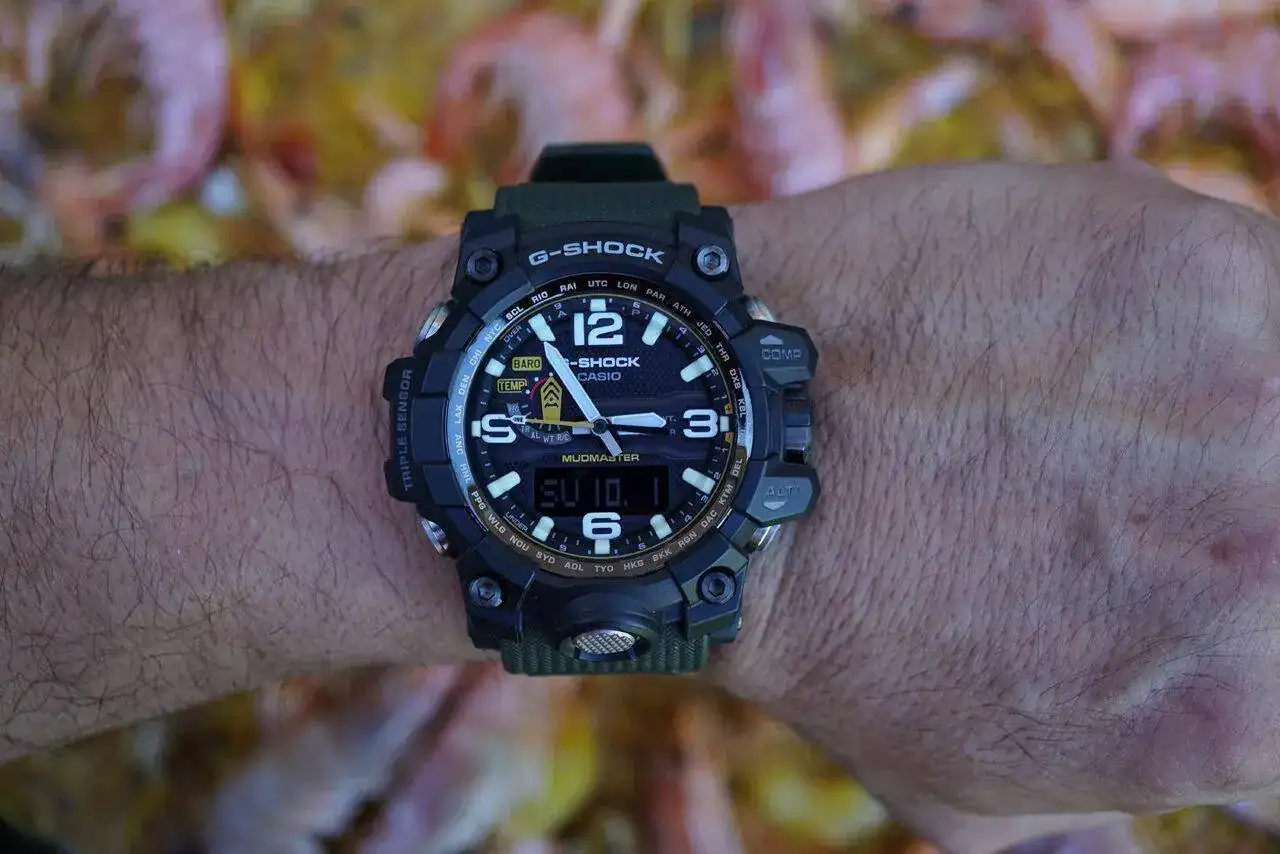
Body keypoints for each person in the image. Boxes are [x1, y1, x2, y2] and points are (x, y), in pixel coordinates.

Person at [2, 160, 1279, 854]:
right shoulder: (445, 446)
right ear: (408, 430)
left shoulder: (734, 424)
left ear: (780, 429)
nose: (607, 446)